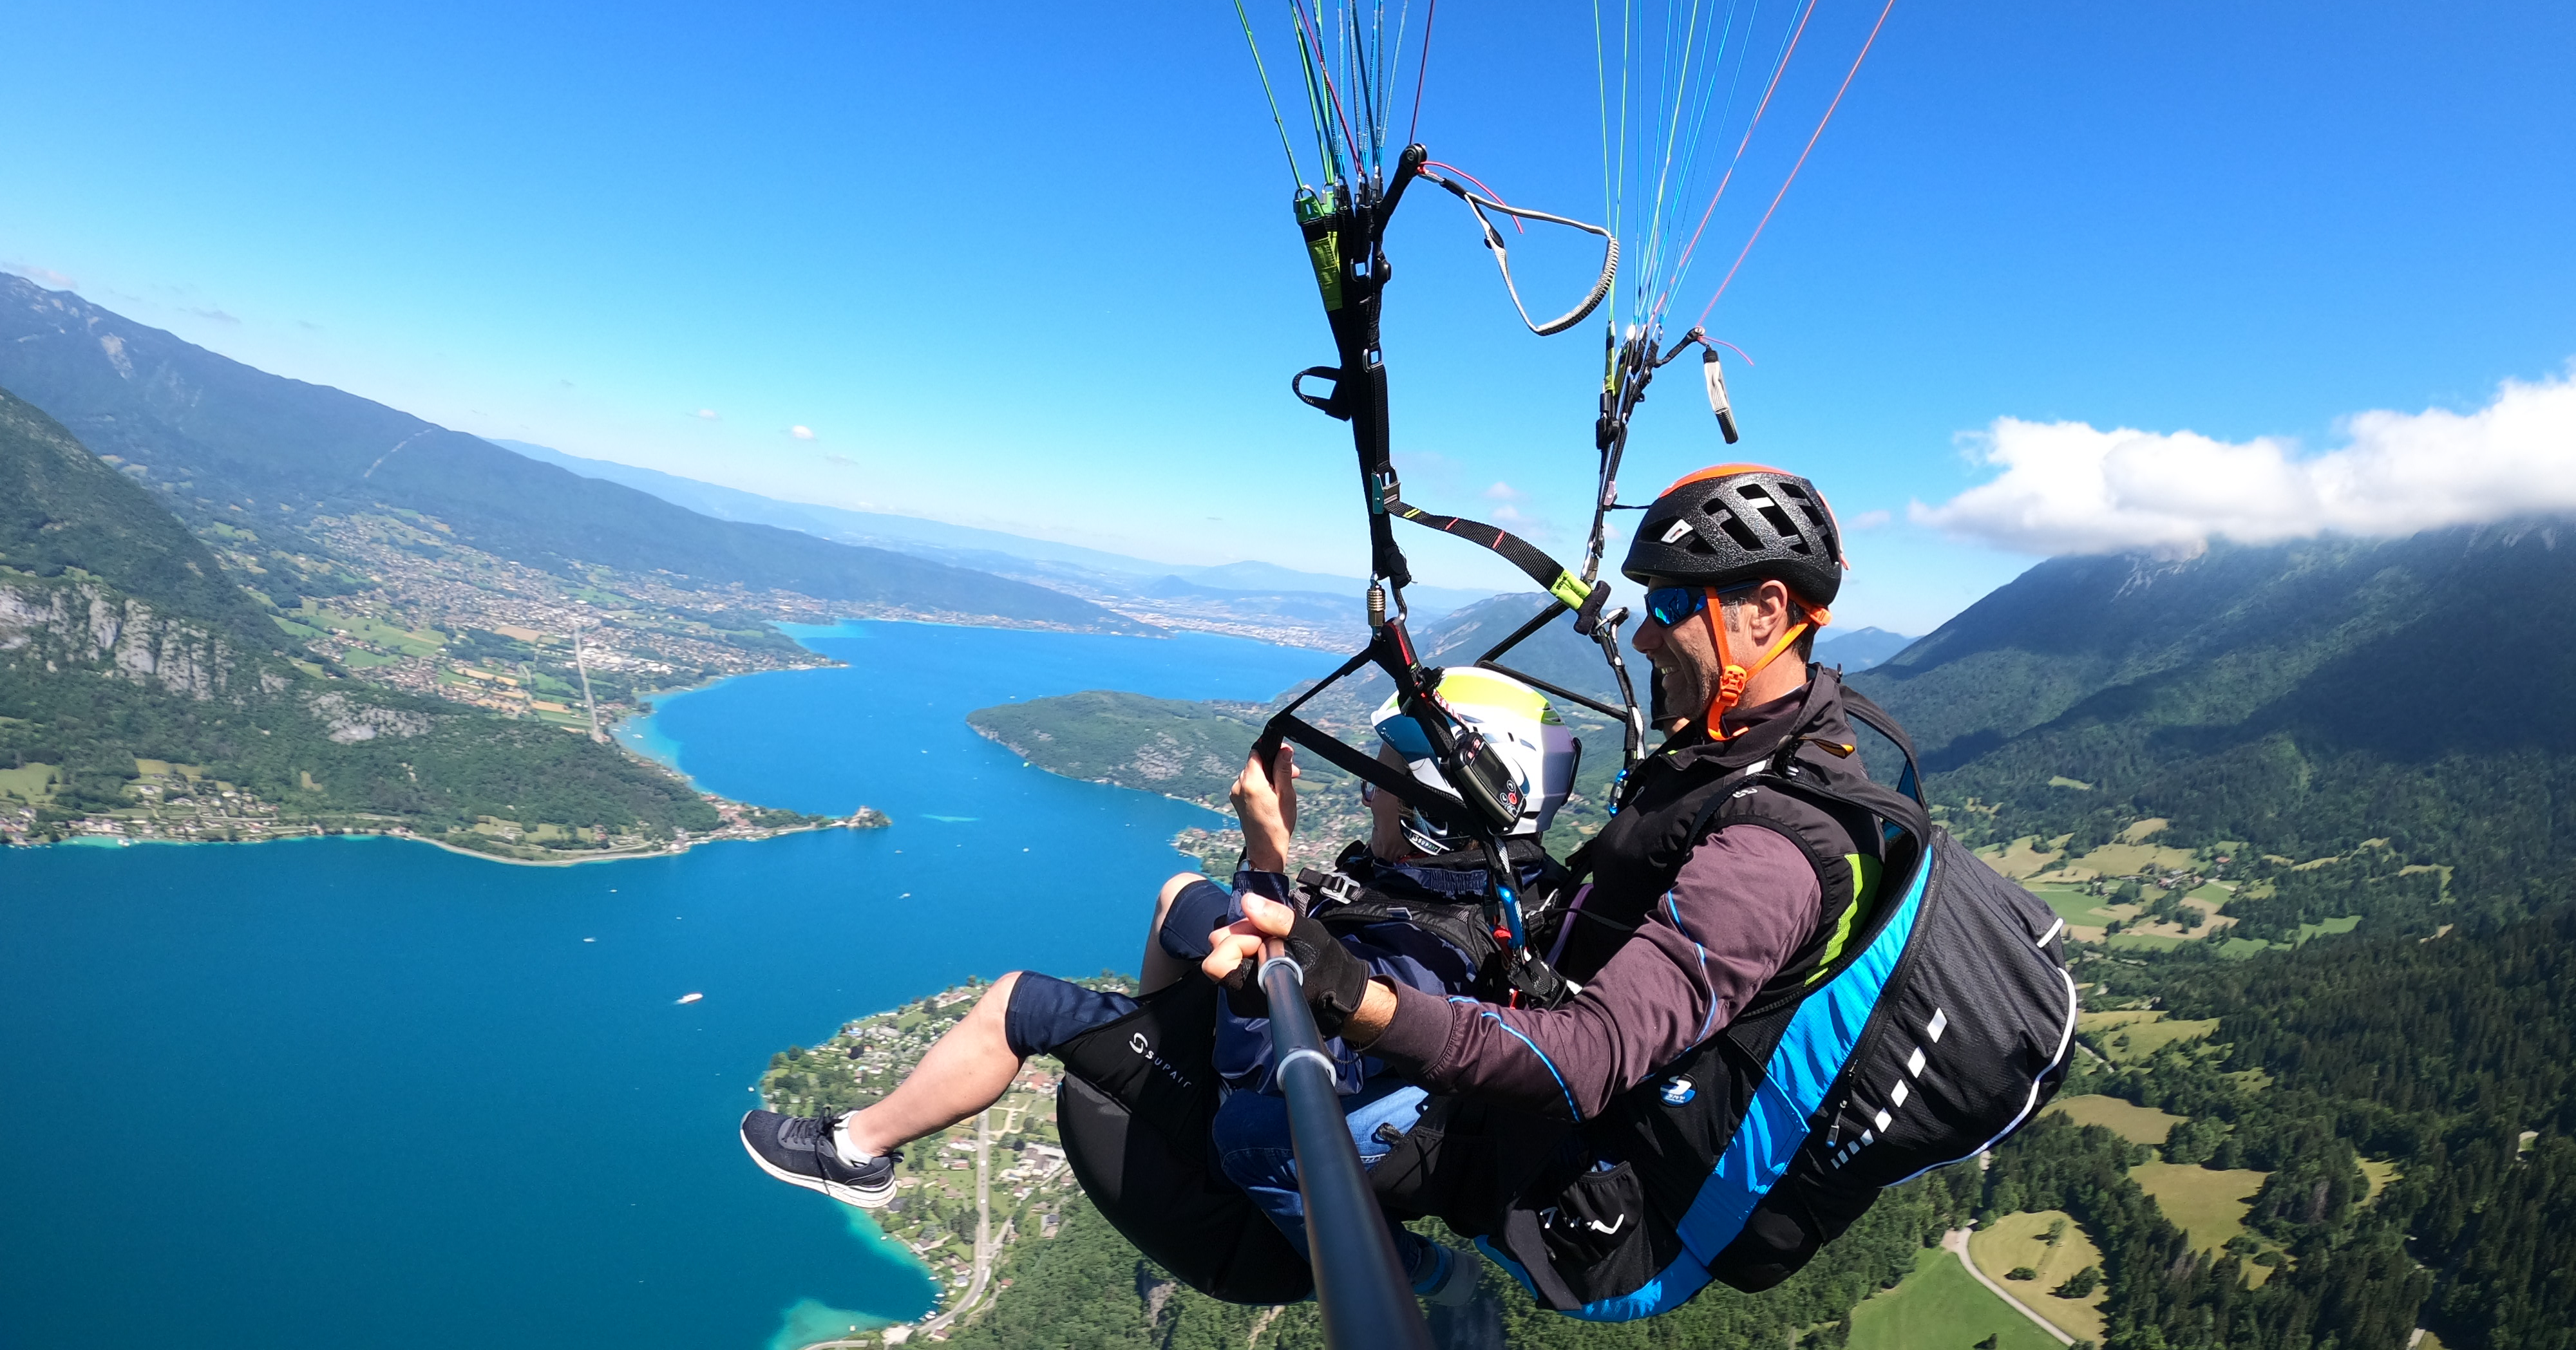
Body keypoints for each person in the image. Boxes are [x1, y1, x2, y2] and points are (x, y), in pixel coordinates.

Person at [1203, 464, 1903, 1311]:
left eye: (1671, 605)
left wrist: (1349, 993)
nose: (1645, 638)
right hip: (1557, 1084)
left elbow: (1590, 1055)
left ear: (1765, 610)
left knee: (1248, 1134)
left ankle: (1432, 1287)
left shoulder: (1774, 850)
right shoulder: (1746, 742)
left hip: (1587, 1187)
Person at [737, 667, 1577, 1302]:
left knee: (1018, 1003)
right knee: (1182, 893)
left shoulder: (1417, 956)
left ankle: (855, 1153)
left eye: (1382, 780)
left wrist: (1266, 862)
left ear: (1434, 809)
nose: (1366, 795)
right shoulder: (1491, 890)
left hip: (1262, 1126)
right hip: (1322, 1071)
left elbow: (1266, 1073)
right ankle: (1158, 1029)